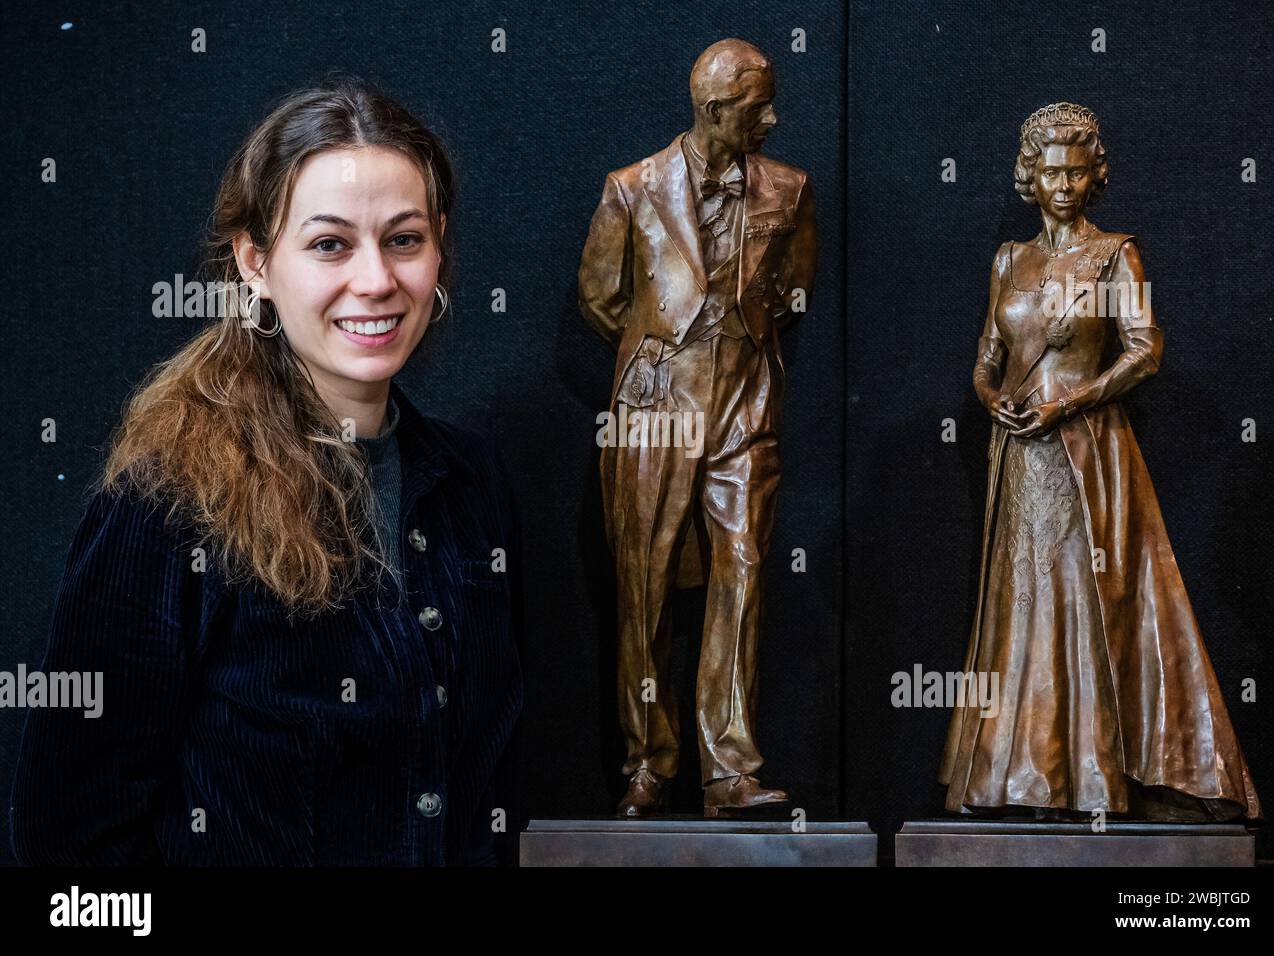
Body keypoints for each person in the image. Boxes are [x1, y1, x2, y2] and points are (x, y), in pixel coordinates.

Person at [10, 78, 524, 865]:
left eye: (404, 238)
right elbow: (66, 844)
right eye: (329, 244)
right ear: (256, 262)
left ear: (439, 247)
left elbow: (488, 784)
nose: (376, 280)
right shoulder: (166, 500)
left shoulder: (472, 483)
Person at [939, 103, 1260, 822]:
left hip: (1087, 453)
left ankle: (1088, 774)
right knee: (1020, 603)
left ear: (1094, 178)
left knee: (1085, 601)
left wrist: (1072, 401)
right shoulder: (1009, 261)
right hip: (1020, 454)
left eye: (1076, 173)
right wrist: (992, 399)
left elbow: (1147, 351)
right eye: (1050, 171)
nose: (1062, 185)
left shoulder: (1114, 256)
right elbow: (986, 360)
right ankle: (1014, 774)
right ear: (1031, 176)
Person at [578, 38, 817, 817]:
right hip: (654, 412)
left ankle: (731, 771)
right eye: (758, 108)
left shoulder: (791, 187)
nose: (773, 119)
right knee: (645, 589)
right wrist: (668, 351)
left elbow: (793, 292)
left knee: (742, 575)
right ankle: (648, 761)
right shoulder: (633, 187)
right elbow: (599, 297)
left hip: (747, 405)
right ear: (715, 110)